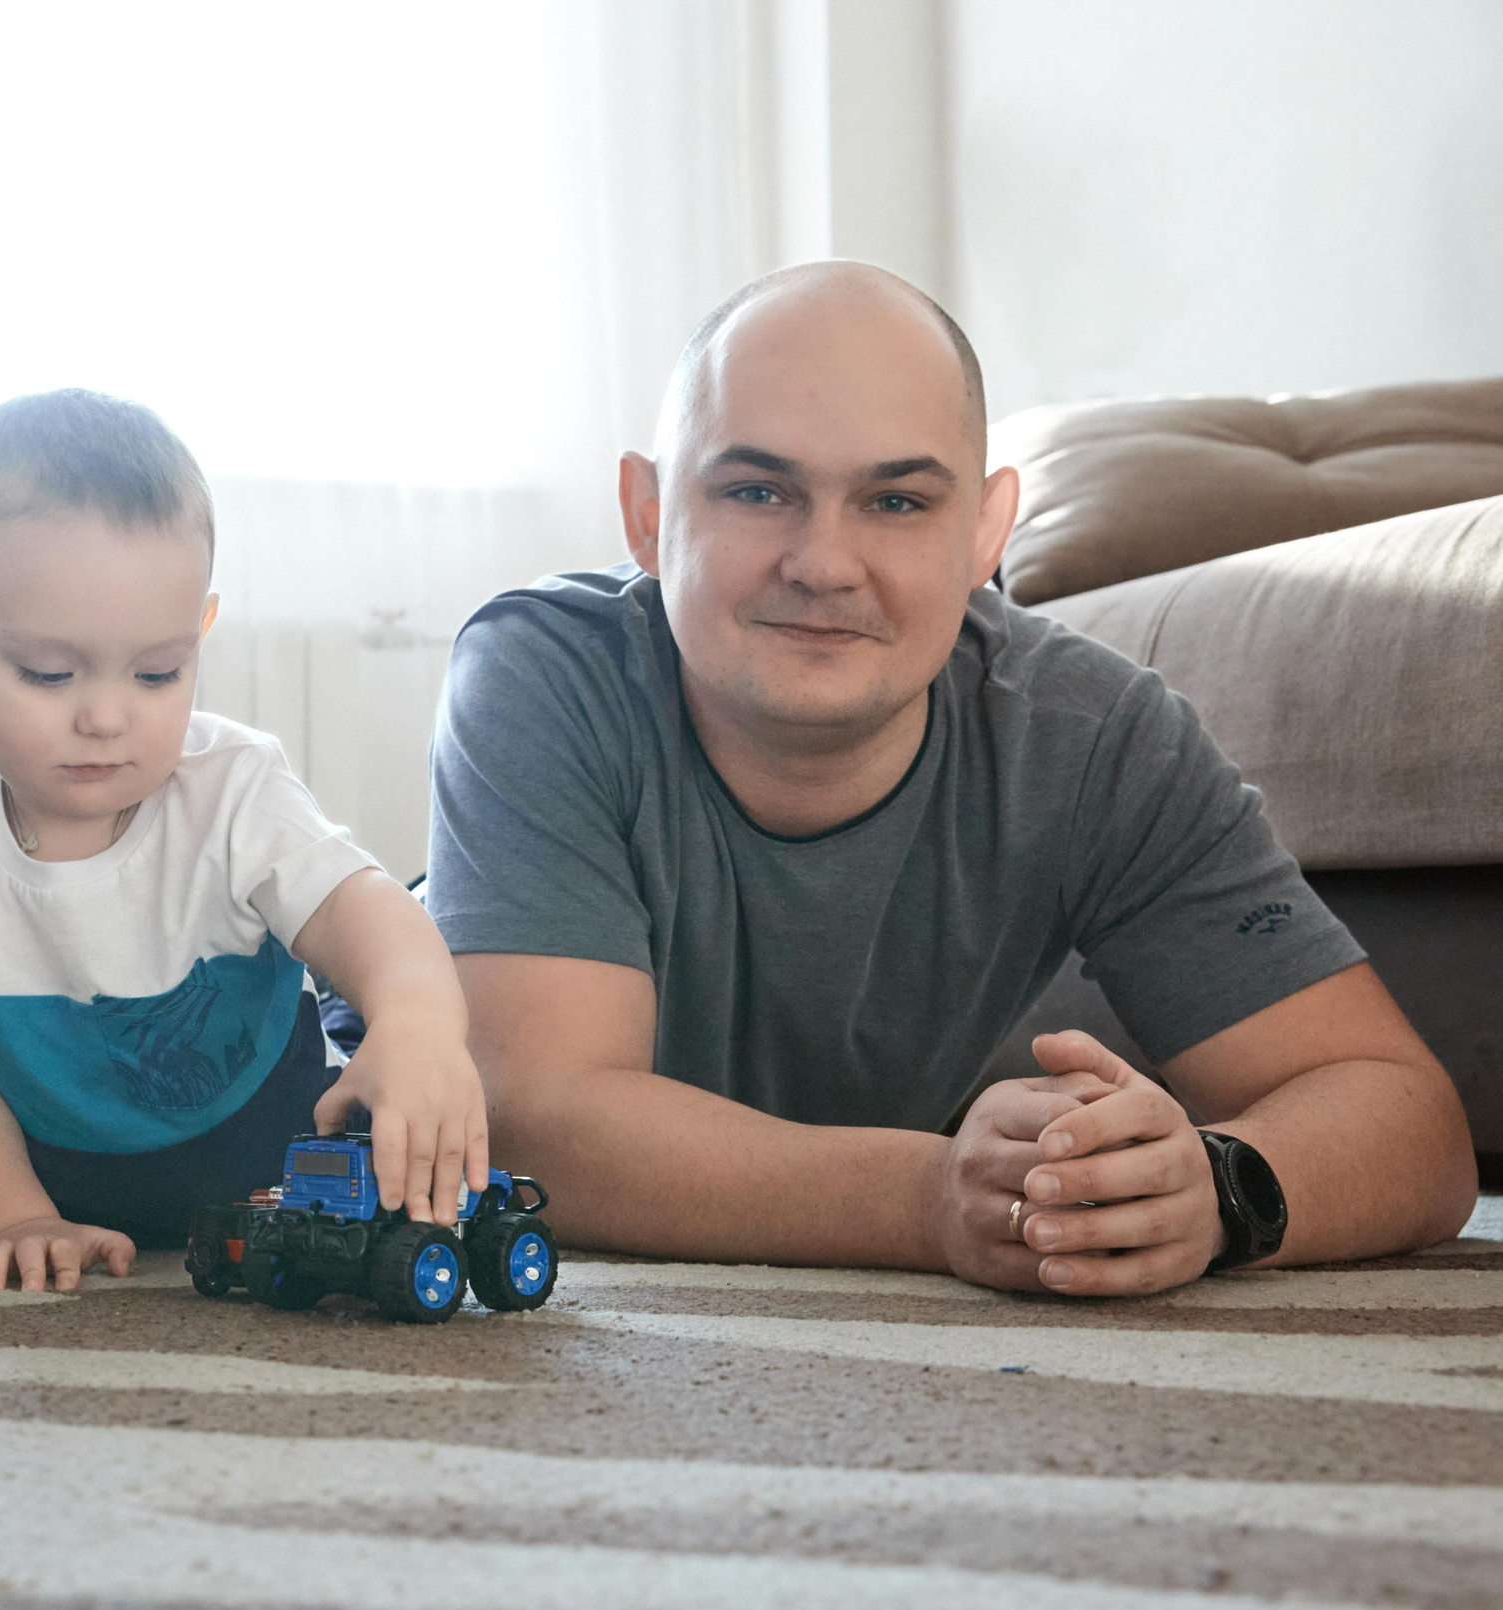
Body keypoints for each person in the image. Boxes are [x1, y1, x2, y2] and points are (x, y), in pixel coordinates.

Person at [426, 261, 1476, 1297]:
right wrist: (929, 1198)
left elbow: (1410, 1126)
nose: (823, 563)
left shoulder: (1093, 737)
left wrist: (1215, 1189)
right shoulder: (540, 672)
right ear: (647, 515)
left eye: (894, 501)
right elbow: (534, 1117)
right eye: (756, 490)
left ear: (984, 530)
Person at [0, 390, 487, 1292]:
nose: (107, 715)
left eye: (158, 672)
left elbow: (366, 912)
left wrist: (422, 1021)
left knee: (419, 1133)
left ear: (197, 635)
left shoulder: (234, 787)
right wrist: (13, 1216)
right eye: (48, 671)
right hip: (68, 1179)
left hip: (285, 1157)